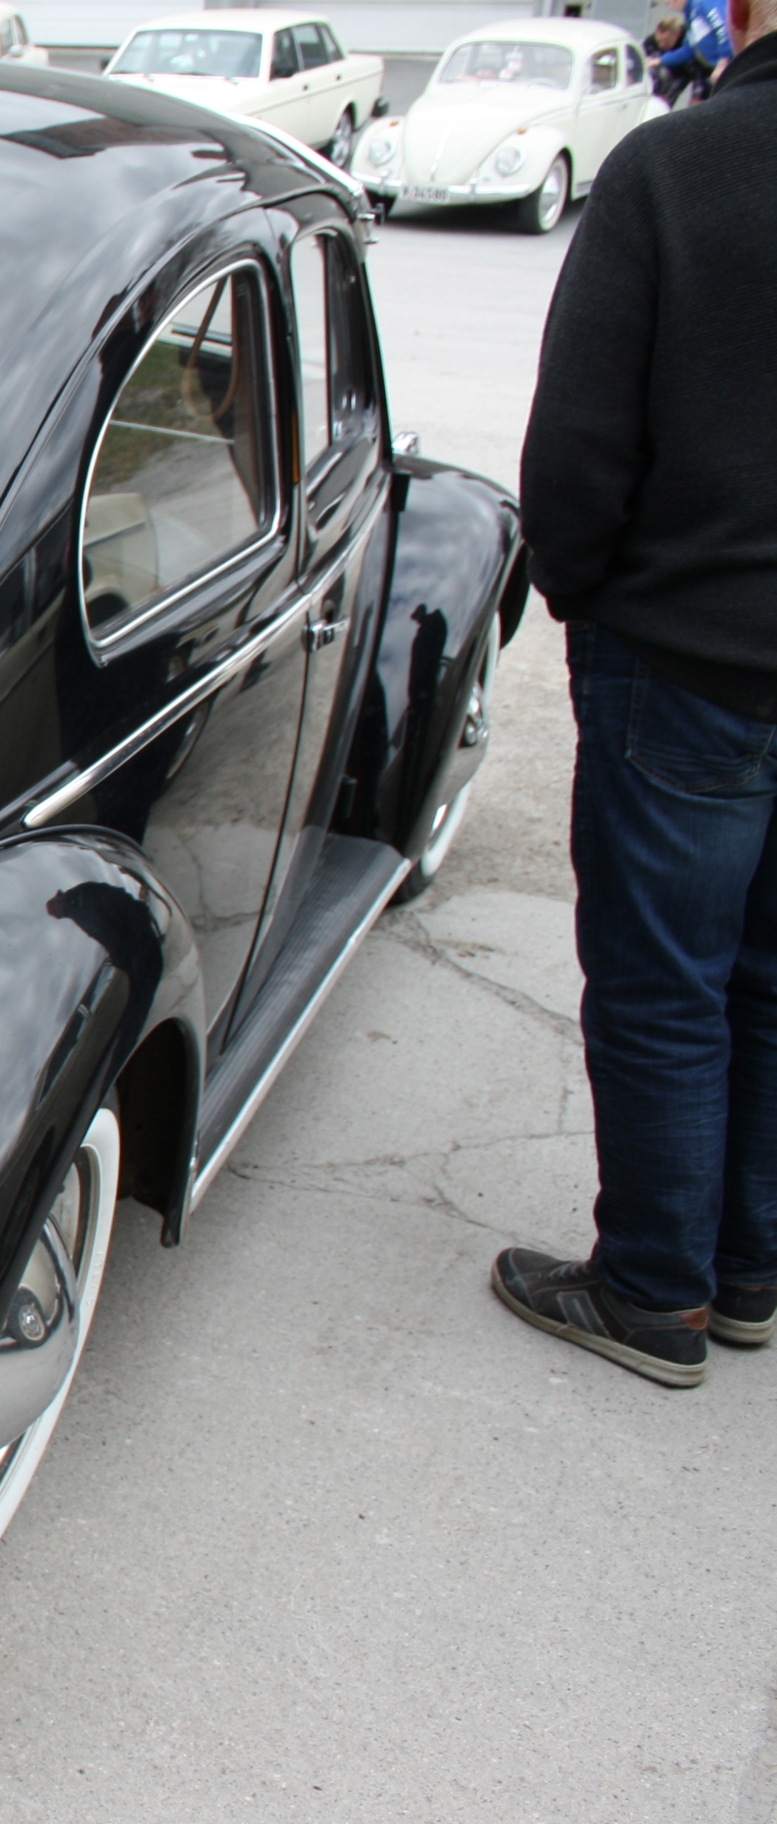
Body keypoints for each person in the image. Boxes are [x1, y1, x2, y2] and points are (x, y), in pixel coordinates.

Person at [499, 0, 776, 1386]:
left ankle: (656, 1290)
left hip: (685, 649)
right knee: (770, 982)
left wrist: (580, 590)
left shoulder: (679, 166)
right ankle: (748, 1269)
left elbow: (579, 440)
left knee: (666, 984)